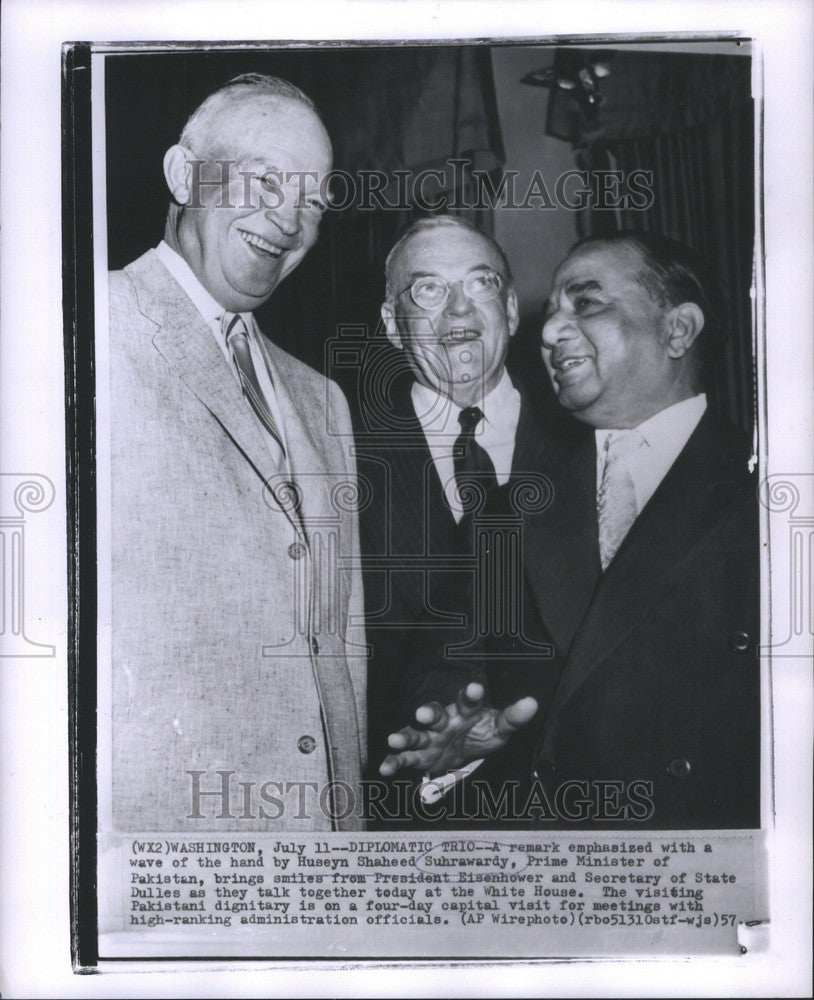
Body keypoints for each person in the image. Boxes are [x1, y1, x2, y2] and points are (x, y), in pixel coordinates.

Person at [381, 232, 760, 829]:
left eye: (585, 304)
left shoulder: (771, 494)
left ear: (678, 330)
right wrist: (448, 748)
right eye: (551, 311)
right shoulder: (502, 514)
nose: (551, 331)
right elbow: (453, 671)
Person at [109, 74, 366, 832]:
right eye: (264, 181)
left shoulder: (323, 401)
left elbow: (342, 647)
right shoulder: (79, 338)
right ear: (184, 175)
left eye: (313, 200)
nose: (287, 219)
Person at [356, 215, 566, 818]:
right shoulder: (338, 454)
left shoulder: (591, 439)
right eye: (428, 290)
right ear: (394, 326)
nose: (457, 313)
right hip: (399, 820)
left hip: (577, 822)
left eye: (479, 283)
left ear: (511, 308)